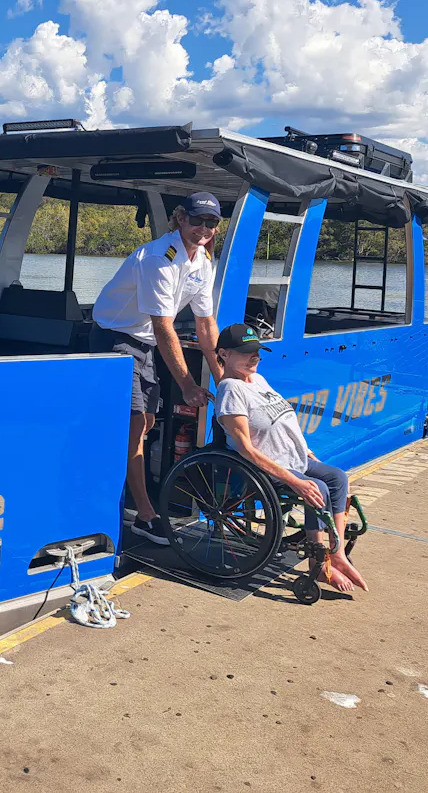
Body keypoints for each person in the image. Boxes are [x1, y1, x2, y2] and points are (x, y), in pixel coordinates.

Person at [90, 192, 224, 545]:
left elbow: (206, 323)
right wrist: (187, 384)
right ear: (180, 218)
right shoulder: (158, 259)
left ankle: (127, 497)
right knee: (135, 427)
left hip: (145, 343)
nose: (203, 229)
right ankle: (144, 517)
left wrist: (222, 375)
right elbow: (165, 326)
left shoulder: (203, 263)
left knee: (147, 424)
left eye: (211, 223)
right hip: (115, 339)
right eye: (197, 220)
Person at [212, 323, 369, 593]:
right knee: (316, 488)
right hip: (265, 468)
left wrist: (305, 450)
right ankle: (317, 565)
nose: (256, 357)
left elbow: (282, 420)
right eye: (247, 352)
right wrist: (294, 482)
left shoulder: (257, 380)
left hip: (295, 457)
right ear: (224, 354)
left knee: (337, 477)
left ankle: (338, 553)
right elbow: (246, 450)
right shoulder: (230, 390)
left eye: (257, 351)